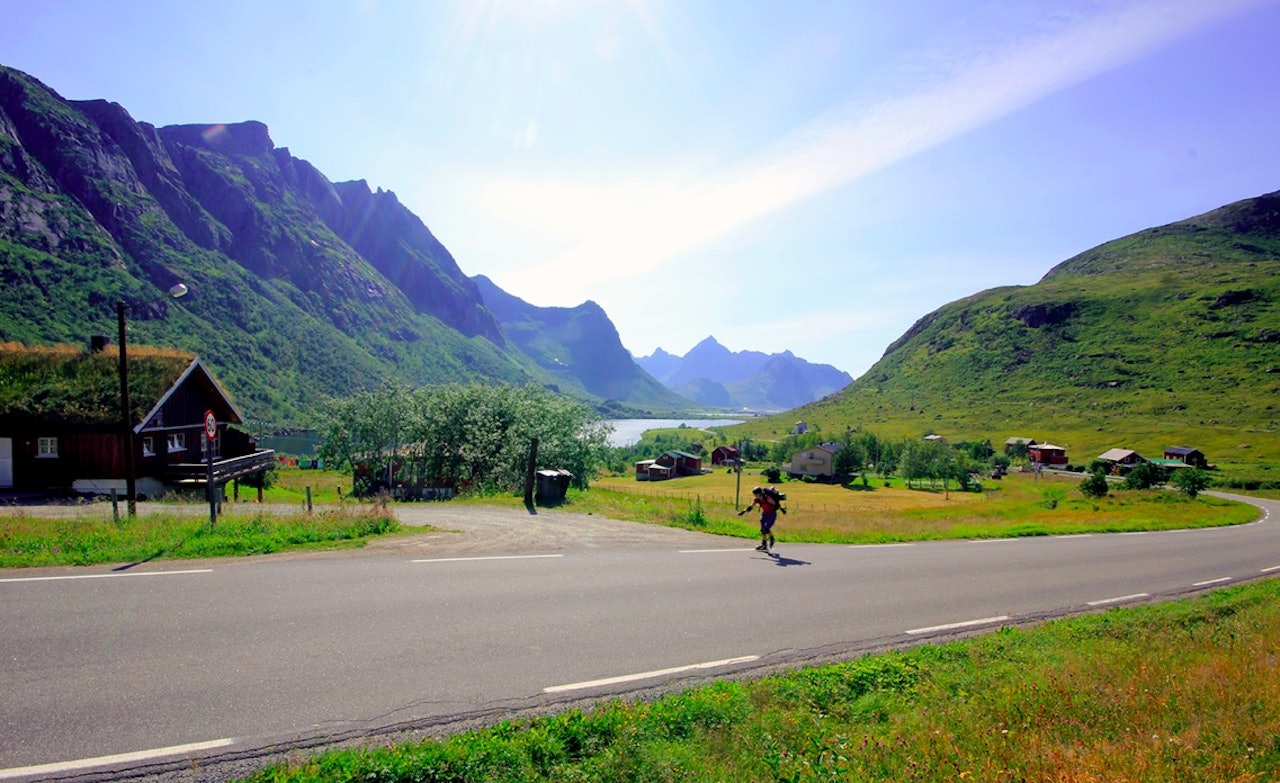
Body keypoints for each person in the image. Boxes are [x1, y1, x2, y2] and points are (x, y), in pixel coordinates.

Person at [739, 486, 786, 551]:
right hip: (764, 514)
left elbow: (776, 504)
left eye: (756, 494)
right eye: (754, 494)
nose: (755, 496)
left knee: (766, 529)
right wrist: (743, 512)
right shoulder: (756, 499)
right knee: (763, 530)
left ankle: (772, 538)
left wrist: (782, 509)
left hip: (771, 515)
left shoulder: (767, 498)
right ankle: (764, 545)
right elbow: (750, 507)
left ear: (760, 493)